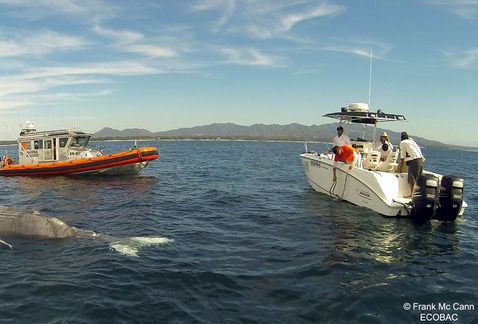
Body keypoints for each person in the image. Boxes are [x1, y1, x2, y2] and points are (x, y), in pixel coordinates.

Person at [397, 132, 424, 198]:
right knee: (419, 178)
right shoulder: (412, 142)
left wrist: (400, 169)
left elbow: (402, 157)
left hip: (414, 160)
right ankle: (418, 194)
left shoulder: (403, 143)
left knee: (411, 177)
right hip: (421, 159)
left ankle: (411, 195)